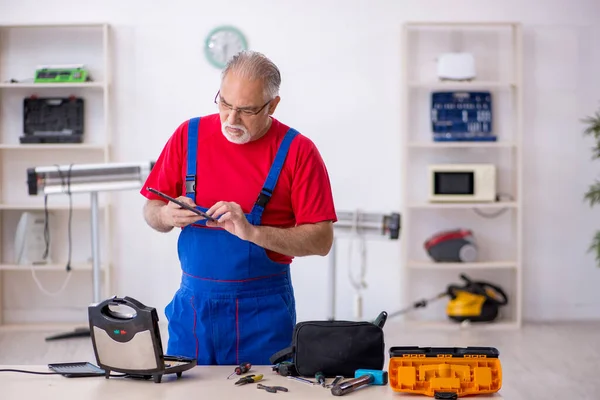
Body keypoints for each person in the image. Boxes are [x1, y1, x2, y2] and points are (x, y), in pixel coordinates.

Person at [140, 50, 337, 366]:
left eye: (246, 110)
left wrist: (253, 232)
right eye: (225, 104)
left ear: (272, 105)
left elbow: (321, 240)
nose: (231, 119)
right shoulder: (186, 136)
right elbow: (151, 207)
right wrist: (165, 214)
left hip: (262, 314)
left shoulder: (298, 152)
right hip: (193, 310)